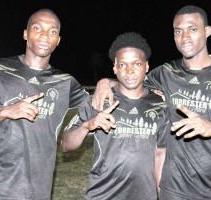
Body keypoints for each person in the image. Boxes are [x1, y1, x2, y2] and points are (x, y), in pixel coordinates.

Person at [92, 5, 211, 200]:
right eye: (178, 31)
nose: (185, 37)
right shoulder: (165, 73)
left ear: (207, 31)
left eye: (192, 29)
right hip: (173, 188)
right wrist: (106, 81)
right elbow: (132, 81)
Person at [0, 8, 89, 200]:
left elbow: (98, 102)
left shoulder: (65, 82)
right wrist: (5, 111)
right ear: (26, 34)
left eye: (52, 31)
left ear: (58, 41)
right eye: (37, 28)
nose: (45, 35)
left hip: (39, 187)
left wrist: (108, 82)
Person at [61, 32, 170, 200]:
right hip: (103, 195)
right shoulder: (99, 100)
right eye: (122, 65)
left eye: (136, 64)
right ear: (114, 68)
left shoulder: (160, 104)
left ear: (147, 66)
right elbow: (66, 145)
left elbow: (160, 154)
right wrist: (86, 126)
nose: (130, 71)